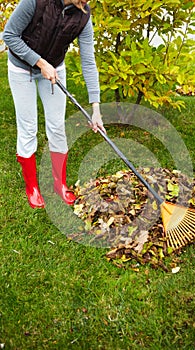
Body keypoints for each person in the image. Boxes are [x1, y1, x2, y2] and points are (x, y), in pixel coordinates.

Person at [3, 0, 105, 209]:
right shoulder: (36, 2)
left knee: (57, 126)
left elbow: (88, 60)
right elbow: (10, 35)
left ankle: (60, 184)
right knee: (28, 127)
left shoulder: (83, 15)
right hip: (22, 68)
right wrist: (40, 63)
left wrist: (96, 109)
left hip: (54, 68)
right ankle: (32, 187)